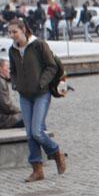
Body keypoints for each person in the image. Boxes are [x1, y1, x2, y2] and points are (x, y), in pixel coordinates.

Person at [6, 19, 68, 182]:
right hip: (25, 95)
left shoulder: (38, 45)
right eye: (10, 32)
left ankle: (56, 152)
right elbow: (12, 70)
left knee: (37, 131)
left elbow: (52, 66)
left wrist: (42, 82)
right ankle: (37, 169)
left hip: (42, 93)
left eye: (14, 32)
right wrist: (15, 83)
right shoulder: (13, 50)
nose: (12, 35)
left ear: (23, 29)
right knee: (30, 134)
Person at [0, 54, 24, 128]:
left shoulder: (2, 80)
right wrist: (20, 111)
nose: (9, 71)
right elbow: (6, 106)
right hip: (2, 119)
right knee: (29, 117)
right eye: (7, 68)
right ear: (0, 68)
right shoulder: (1, 82)